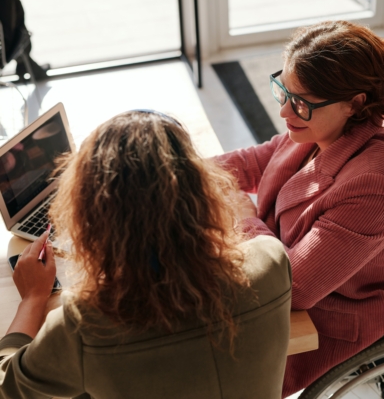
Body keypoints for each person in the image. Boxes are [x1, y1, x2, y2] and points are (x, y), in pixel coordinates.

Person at [0, 110, 292, 398]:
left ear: (92, 216)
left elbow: (6, 388)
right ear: (203, 190)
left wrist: (33, 298)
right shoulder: (272, 261)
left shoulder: (85, 325)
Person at [214, 20, 384, 397]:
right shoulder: (322, 123)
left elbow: (294, 288)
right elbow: (256, 160)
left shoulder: (375, 186)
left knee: (212, 359)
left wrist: (243, 214)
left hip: (336, 313)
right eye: (282, 90)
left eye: (299, 102)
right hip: (304, 265)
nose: (285, 112)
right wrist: (177, 170)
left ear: (356, 102)